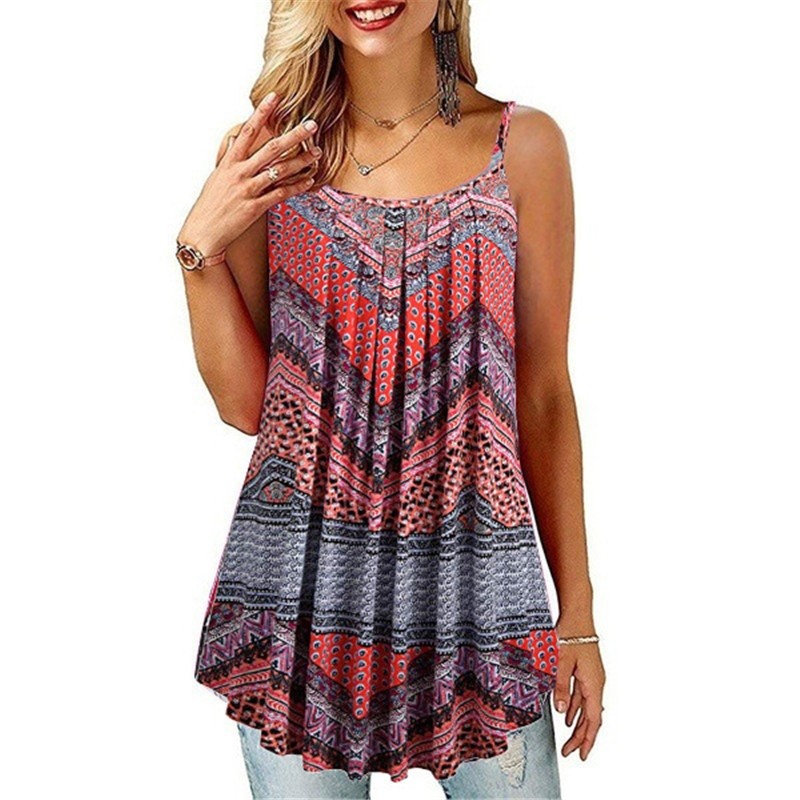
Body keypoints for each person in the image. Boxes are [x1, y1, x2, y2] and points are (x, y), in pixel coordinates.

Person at [178, 1, 606, 797]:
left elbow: (544, 393)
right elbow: (248, 407)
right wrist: (197, 251)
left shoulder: (524, 147)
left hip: (480, 597)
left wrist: (576, 614)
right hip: (302, 597)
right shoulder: (270, 157)